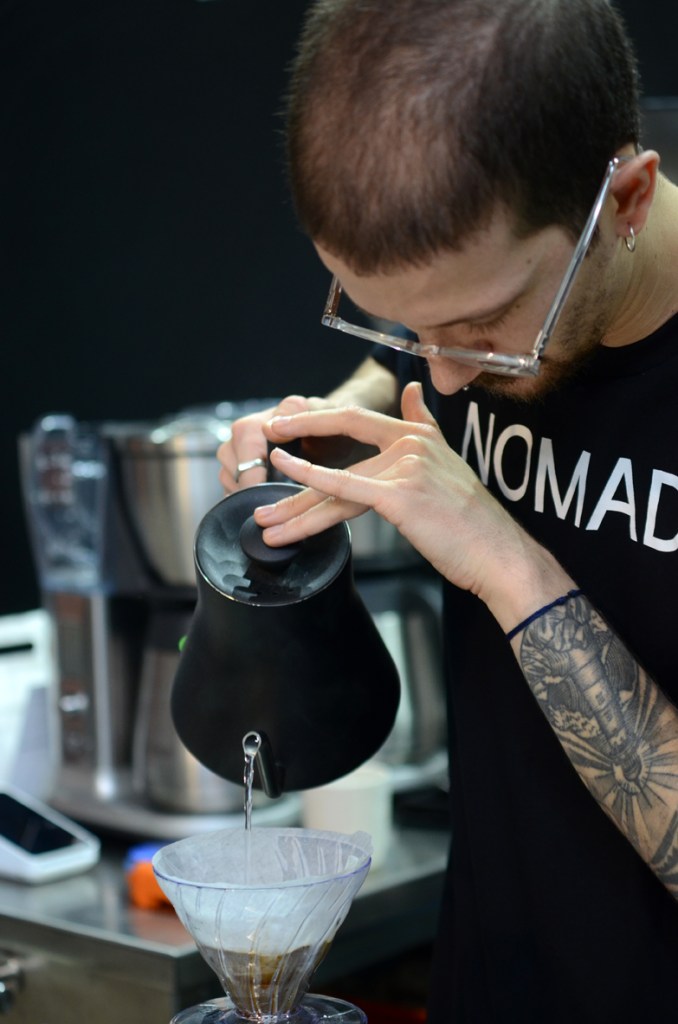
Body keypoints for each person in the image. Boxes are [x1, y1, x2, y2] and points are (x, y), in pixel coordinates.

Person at [217, 1, 678, 1019]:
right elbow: (424, 354)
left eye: (481, 328)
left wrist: (505, 562)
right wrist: (349, 418)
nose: (449, 379)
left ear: (628, 200)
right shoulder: (490, 273)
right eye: (396, 320)